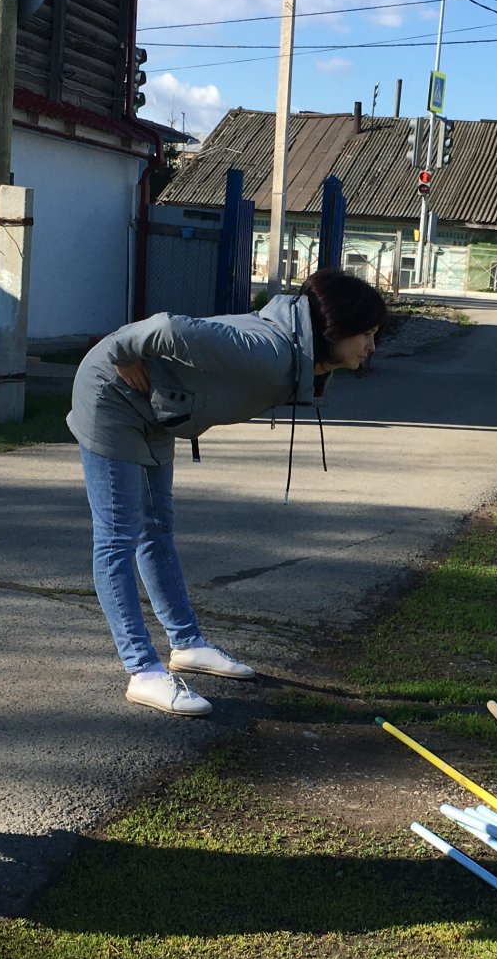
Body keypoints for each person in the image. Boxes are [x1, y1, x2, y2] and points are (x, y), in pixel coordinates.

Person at [67, 270, 390, 716]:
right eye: (366, 334)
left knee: (157, 529)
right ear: (333, 328)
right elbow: (167, 328)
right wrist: (122, 351)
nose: (372, 347)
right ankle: (142, 670)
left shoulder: (297, 357)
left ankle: (187, 644)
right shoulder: (269, 353)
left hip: (157, 406)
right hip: (112, 395)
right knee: (119, 534)